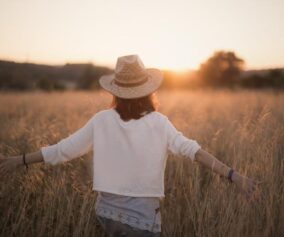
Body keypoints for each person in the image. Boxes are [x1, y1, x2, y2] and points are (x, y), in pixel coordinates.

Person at [0, 55, 258, 237]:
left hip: (107, 215)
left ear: (116, 91)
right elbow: (196, 152)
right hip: (143, 222)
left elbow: (62, 150)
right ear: (148, 91)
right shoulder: (159, 123)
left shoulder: (101, 120)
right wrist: (234, 176)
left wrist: (19, 160)